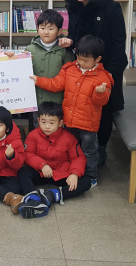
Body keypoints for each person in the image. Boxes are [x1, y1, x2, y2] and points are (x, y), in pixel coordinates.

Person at [58, 0, 127, 165]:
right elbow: (75, 35)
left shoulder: (111, 8)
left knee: (103, 110)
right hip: (83, 67)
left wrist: (108, 76)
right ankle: (81, 151)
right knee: (83, 108)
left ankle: (100, 153)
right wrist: (69, 41)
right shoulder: (74, 7)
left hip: (107, 67)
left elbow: (118, 44)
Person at [31, 35, 113, 186]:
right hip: (68, 121)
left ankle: (91, 176)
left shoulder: (103, 78)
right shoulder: (69, 69)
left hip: (88, 124)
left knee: (89, 151)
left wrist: (99, 93)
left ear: (98, 59)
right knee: (69, 149)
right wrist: (39, 81)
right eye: (79, 58)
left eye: (85, 60)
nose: (81, 62)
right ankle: (71, 172)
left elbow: (101, 102)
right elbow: (56, 84)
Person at [17, 101, 91, 219]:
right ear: (38, 120)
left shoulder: (69, 137)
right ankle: (32, 198)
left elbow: (78, 157)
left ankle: (52, 195)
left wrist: (74, 174)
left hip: (61, 173)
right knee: (22, 172)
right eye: (43, 122)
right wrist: (42, 165)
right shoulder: (33, 136)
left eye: (52, 123)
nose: (47, 126)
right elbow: (27, 154)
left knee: (86, 182)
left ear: (60, 123)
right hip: (41, 172)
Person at [25, 9, 75, 128]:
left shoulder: (65, 51)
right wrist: (19, 59)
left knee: (56, 130)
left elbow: (71, 76)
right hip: (35, 101)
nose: (46, 32)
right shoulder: (30, 49)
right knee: (37, 130)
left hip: (57, 101)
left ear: (59, 31)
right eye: (42, 28)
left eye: (51, 29)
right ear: (37, 29)